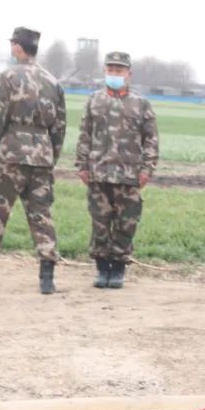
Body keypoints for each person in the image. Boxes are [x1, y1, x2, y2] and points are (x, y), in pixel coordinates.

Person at [0, 27, 66, 293]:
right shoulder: (52, 82)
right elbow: (59, 127)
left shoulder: (7, 77)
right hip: (42, 157)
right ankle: (47, 277)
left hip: (11, 155)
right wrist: (50, 156)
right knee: (41, 215)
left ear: (17, 47)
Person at [74, 51, 159, 289]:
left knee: (126, 223)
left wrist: (147, 169)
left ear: (128, 73)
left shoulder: (141, 104)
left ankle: (119, 268)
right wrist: (82, 165)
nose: (114, 73)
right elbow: (84, 135)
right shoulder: (94, 100)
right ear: (105, 71)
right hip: (98, 172)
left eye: (119, 70)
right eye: (110, 69)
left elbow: (151, 139)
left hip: (129, 175)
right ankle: (102, 268)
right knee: (100, 222)